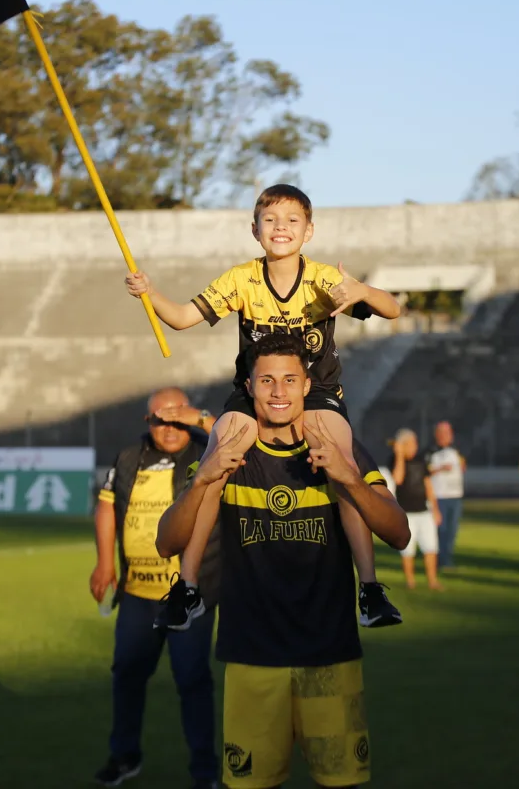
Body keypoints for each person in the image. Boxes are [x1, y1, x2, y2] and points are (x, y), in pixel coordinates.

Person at [126, 184, 402, 632]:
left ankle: (369, 588)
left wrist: (362, 290)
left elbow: (393, 311)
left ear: (309, 230)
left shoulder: (323, 280)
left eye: (292, 220)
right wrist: (148, 292)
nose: (281, 228)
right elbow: (179, 318)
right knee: (217, 459)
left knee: (340, 459)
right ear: (254, 230)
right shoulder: (240, 279)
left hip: (316, 390)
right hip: (253, 390)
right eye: (270, 220)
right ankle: (188, 587)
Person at [155, 333, 411, 789]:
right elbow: (166, 543)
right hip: (251, 658)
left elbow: (398, 533)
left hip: (330, 657)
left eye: (290, 380)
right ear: (248, 388)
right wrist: (201, 483)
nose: (278, 392)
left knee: (342, 783)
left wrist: (348, 478)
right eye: (267, 380)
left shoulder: (336, 444)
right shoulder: (230, 446)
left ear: (307, 384)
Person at [89, 388, 222, 788]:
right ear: (147, 422)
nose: (169, 426)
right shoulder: (130, 457)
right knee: (126, 675)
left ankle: (205, 772)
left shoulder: (207, 450)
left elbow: (236, 436)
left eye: (176, 416)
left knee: (192, 680)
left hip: (190, 598)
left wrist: (197, 416)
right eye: (160, 418)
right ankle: (124, 755)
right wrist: (104, 562)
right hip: (138, 595)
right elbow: (108, 506)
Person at [392, 428, 444, 591]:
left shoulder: (421, 461)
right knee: (408, 550)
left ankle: (433, 581)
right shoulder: (394, 460)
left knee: (431, 547)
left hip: (424, 511)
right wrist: (399, 455)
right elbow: (398, 479)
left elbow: (428, 485)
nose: (415, 447)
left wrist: (435, 509)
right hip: (405, 513)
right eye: (411, 444)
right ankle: (410, 581)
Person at [426, 420, 466, 570]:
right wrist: (440, 468)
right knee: (440, 530)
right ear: (436, 434)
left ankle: (447, 558)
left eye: (448, 433)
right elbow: (425, 471)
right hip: (439, 495)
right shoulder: (430, 451)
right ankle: (440, 560)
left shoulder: (457, 450)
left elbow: (462, 466)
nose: (445, 436)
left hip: (455, 495)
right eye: (442, 432)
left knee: (452, 530)